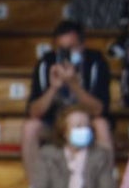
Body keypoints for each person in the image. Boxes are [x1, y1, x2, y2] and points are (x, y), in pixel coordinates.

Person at [22, 19, 112, 178]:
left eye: (71, 48)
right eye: (62, 50)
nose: (67, 54)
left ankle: (104, 184)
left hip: (86, 122)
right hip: (55, 123)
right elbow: (34, 112)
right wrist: (53, 88)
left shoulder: (95, 62)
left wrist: (74, 85)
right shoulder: (46, 63)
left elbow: (98, 110)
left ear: (82, 46)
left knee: (102, 125)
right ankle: (37, 185)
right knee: (30, 127)